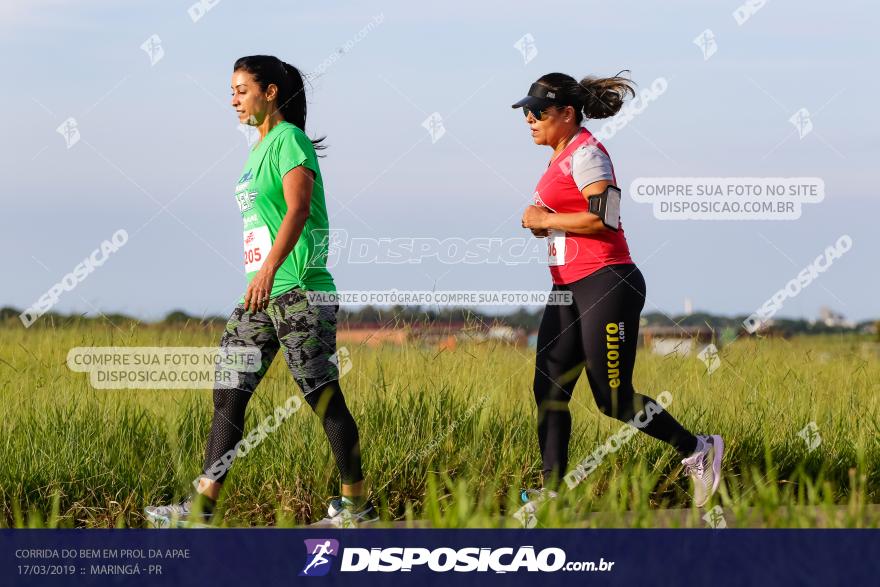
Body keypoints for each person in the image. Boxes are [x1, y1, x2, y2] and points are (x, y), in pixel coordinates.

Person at [145, 55, 377, 527]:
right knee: (229, 392)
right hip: (260, 294)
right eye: (231, 91)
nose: (233, 99)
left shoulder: (290, 141)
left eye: (241, 89)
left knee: (322, 394)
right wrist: (262, 274)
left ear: (270, 92)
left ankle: (357, 507)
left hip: (299, 290)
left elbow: (298, 209)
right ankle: (201, 509)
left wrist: (270, 267)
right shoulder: (258, 150)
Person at [513, 72, 724, 508]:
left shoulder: (587, 154)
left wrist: (544, 219)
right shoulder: (558, 159)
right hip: (566, 288)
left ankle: (697, 449)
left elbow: (603, 217)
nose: (529, 119)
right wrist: (545, 225)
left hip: (606, 282)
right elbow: (571, 223)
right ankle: (552, 493)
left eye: (538, 112)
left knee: (612, 398)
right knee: (548, 389)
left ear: (566, 114)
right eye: (526, 113)